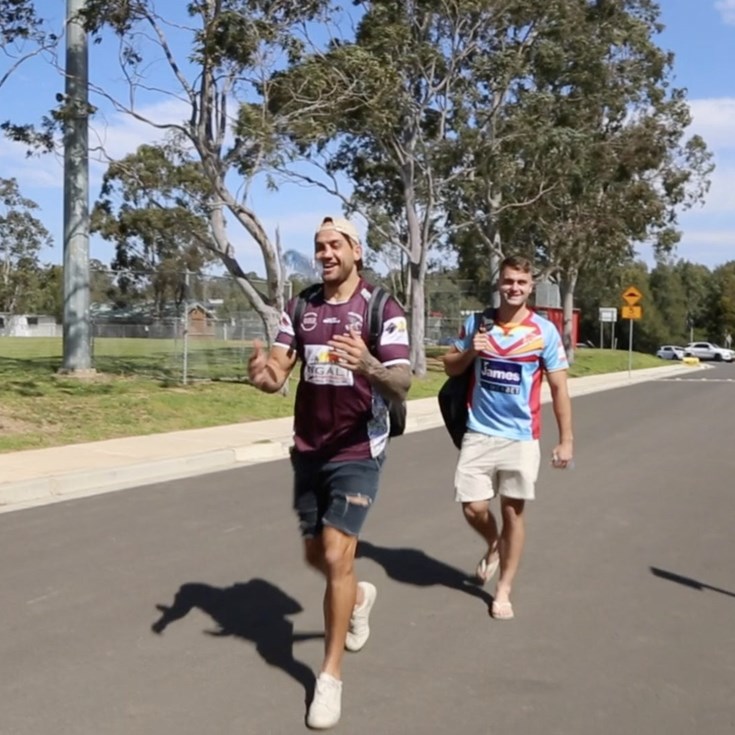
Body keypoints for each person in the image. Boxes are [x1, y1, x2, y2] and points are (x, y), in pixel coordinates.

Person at [247, 216, 411, 729]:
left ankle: (330, 677)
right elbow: (278, 370)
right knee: (317, 555)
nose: (325, 253)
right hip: (309, 447)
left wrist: (368, 366)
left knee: (339, 553)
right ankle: (359, 595)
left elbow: (403, 381)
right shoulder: (301, 306)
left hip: (358, 447)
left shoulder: (382, 306)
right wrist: (263, 377)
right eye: (319, 246)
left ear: (355, 251)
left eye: (335, 244)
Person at [442, 255, 573, 621]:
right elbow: (449, 365)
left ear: (531, 287)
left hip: (521, 437)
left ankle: (503, 590)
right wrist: (472, 350)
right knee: (473, 506)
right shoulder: (478, 323)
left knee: (513, 512)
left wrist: (566, 440)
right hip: (479, 432)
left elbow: (560, 389)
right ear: (498, 283)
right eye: (508, 281)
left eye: (521, 282)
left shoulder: (543, 332)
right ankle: (493, 544)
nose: (514, 288)